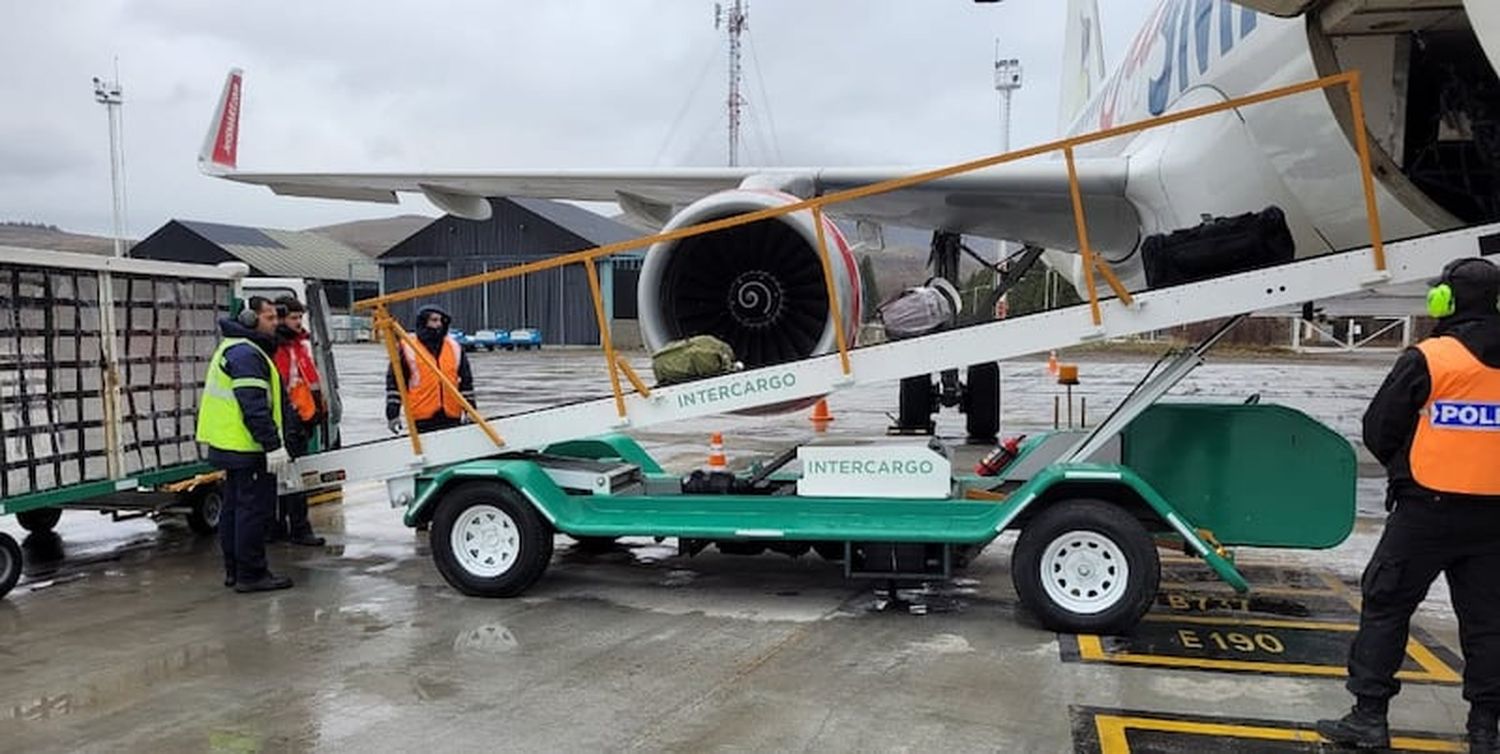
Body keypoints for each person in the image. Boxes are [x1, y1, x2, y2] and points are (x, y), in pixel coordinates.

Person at [1317, 257, 1500, 751]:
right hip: (1494, 518)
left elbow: (1379, 428)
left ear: (1445, 301)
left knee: (1387, 607)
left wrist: (1410, 465)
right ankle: (1485, 730)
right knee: (1489, 624)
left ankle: (1368, 717)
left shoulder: (1432, 356)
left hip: (1427, 508)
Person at [195, 296, 297, 593]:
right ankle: (251, 575)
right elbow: (253, 406)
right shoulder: (247, 354)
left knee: (234, 510)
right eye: (269, 317)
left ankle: (235, 571)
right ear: (251, 319)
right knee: (252, 512)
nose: (276, 322)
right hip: (245, 447)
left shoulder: (234, 349)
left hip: (230, 445)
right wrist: (272, 445)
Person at [269, 295, 326, 547]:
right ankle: (296, 529)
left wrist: (318, 411)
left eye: (300, 317)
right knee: (293, 480)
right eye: (294, 318)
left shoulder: (297, 345)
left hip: (301, 419)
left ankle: (282, 528)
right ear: (281, 317)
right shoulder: (280, 348)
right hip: (289, 422)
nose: (298, 322)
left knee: (290, 480)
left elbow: (308, 381)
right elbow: (282, 389)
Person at [385, 304, 475, 434]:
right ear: (423, 321)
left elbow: (466, 382)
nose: (439, 324)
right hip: (422, 415)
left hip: (451, 414)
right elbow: (395, 383)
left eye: (440, 320)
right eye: (434, 320)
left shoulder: (454, 347)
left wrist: (470, 409)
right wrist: (393, 414)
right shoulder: (408, 347)